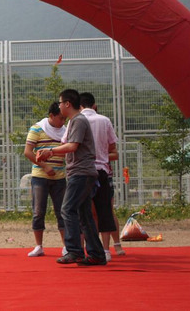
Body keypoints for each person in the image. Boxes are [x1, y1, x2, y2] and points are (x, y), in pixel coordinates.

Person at [37, 89, 105, 266]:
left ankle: (74, 251)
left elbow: (72, 146)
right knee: (84, 214)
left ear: (67, 104)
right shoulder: (75, 121)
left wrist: (50, 151)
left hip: (81, 173)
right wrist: (49, 153)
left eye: (60, 103)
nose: (59, 106)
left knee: (67, 210)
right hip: (82, 172)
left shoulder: (78, 120)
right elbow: (70, 147)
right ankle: (96, 254)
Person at [79, 92, 123, 261]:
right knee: (105, 211)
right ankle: (105, 249)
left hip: (84, 171)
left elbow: (68, 144)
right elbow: (113, 148)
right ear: (94, 105)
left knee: (87, 212)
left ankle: (88, 249)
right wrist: (102, 155)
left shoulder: (76, 121)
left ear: (78, 106)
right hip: (102, 171)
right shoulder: (104, 120)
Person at [23, 102, 67, 257]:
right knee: (38, 211)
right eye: (60, 118)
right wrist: (45, 166)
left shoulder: (66, 131)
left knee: (62, 212)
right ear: (51, 116)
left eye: (64, 118)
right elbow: (28, 152)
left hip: (60, 177)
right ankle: (38, 246)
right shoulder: (37, 128)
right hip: (40, 177)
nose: (63, 122)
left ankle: (66, 246)